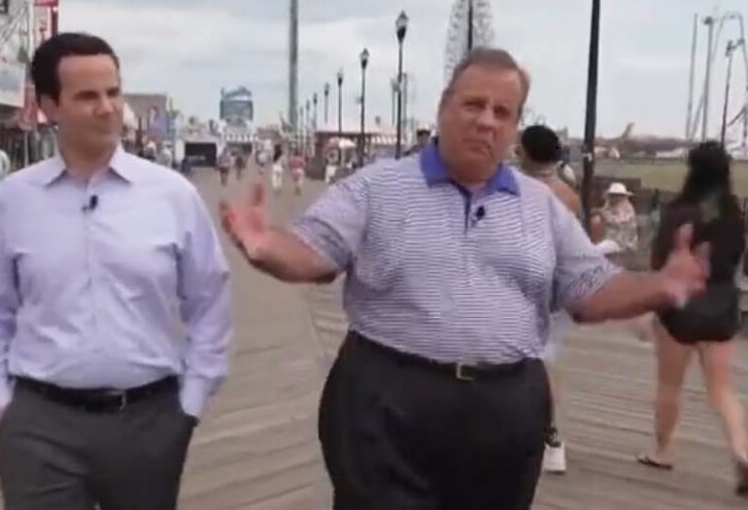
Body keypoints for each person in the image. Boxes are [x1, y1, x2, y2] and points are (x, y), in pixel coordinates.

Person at [220, 47, 709, 509]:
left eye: (503, 112)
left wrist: (659, 285)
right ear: (443, 108)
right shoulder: (375, 189)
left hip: (505, 410)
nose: (486, 121)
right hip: (386, 403)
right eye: (473, 104)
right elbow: (313, 252)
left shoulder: (542, 207)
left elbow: (589, 287)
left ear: (515, 126)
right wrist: (266, 248)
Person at [0, 32, 233, 510]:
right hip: (39, 426)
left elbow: (209, 302)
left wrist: (190, 404)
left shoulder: (172, 195)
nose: (108, 108)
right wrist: (1, 404)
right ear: (50, 107)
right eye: (88, 96)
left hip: (148, 422)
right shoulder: (14, 199)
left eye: (114, 92)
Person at [637, 142, 748, 497]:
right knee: (722, 388)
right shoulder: (734, 214)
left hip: (680, 306)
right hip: (722, 305)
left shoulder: (678, 211)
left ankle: (663, 451)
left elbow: (659, 261)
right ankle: (742, 451)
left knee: (670, 385)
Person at [519, 124, 581, 475]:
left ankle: (545, 436)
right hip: (559, 290)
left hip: (526, 288)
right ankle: (551, 437)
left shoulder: (521, 191)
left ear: (525, 153)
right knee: (547, 361)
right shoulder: (568, 194)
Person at [594, 182, 639, 256]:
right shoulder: (609, 205)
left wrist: (603, 215)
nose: (613, 197)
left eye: (616, 195)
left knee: (597, 250)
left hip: (622, 242)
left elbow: (619, 222)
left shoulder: (627, 208)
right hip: (609, 239)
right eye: (612, 195)